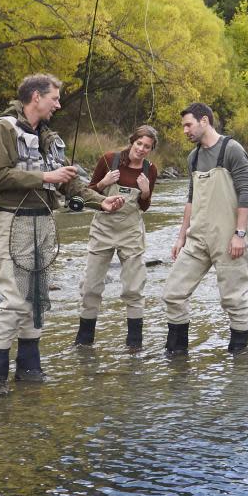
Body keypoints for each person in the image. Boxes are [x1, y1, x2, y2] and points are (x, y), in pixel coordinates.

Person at [0, 74, 121, 396]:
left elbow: (69, 184)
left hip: (43, 219)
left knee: (37, 299)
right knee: (16, 299)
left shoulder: (48, 137)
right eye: (54, 98)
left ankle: (30, 370)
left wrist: (102, 202)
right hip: (12, 219)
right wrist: (45, 175)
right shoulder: (1, 129)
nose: (58, 104)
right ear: (35, 97)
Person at [162, 103, 248, 356]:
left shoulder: (232, 150)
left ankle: (239, 357)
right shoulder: (193, 157)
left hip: (228, 238)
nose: (184, 130)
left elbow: (246, 193)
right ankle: (177, 356)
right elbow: (191, 199)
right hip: (197, 238)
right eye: (183, 126)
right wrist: (181, 237)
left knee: (233, 300)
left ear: (204, 121)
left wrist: (240, 234)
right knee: (173, 292)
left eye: (188, 124)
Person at [75, 125, 160, 350]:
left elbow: (144, 206)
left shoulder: (150, 170)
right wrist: (103, 183)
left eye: (147, 147)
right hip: (102, 228)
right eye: (139, 144)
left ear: (151, 150)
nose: (141, 149)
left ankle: (134, 345)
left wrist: (145, 192)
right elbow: (88, 192)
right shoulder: (109, 159)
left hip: (131, 231)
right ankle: (84, 343)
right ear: (132, 141)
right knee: (91, 286)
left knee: (133, 288)